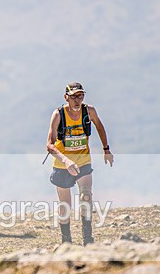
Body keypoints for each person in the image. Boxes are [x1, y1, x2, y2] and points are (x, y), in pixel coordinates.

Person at [45, 82, 114, 245]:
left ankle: (88, 239)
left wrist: (106, 149)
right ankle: (66, 241)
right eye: (74, 96)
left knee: (86, 196)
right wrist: (66, 160)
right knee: (65, 204)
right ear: (66, 97)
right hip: (62, 164)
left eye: (80, 96)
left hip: (83, 161)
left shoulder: (89, 111)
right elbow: (49, 145)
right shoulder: (58, 114)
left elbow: (99, 126)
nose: (77, 100)